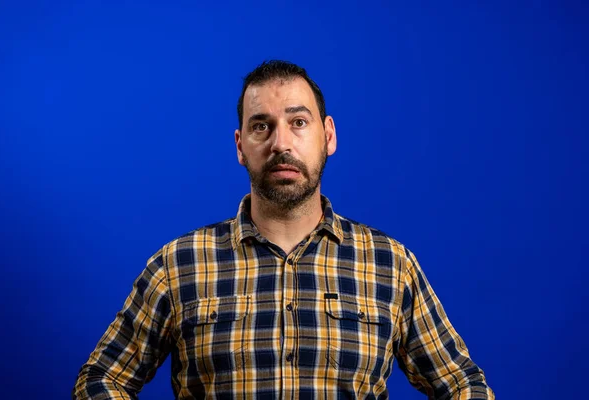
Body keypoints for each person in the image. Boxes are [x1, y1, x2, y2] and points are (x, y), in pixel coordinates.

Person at [73, 60, 494, 399]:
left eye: (298, 122)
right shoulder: (179, 264)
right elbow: (100, 381)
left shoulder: (390, 265)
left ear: (328, 136)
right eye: (262, 126)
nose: (281, 143)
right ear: (241, 146)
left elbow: (462, 385)